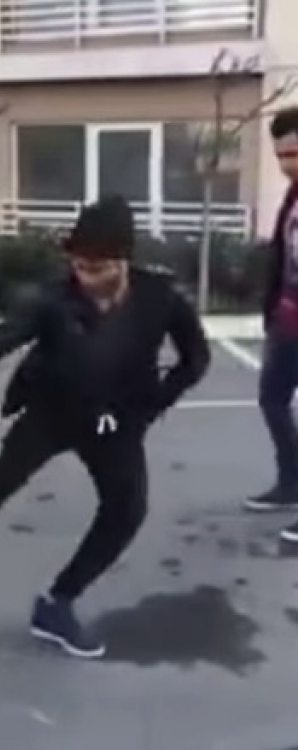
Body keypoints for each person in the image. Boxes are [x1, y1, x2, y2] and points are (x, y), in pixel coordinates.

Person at [0, 195, 210, 659]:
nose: (85, 276)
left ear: (123, 260)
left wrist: (151, 407)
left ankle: (57, 604)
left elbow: (195, 360)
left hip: (115, 420)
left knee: (127, 511)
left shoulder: (161, 298)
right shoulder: (54, 301)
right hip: (52, 410)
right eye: (78, 265)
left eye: (96, 268)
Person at [244, 107, 298, 545]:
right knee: (272, 399)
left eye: (295, 153)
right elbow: (281, 258)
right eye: (281, 155)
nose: (287, 164)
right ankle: (291, 481)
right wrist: (271, 310)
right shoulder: (293, 198)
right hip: (287, 322)